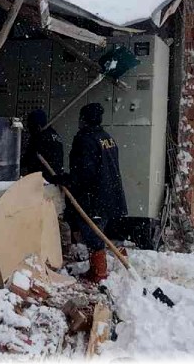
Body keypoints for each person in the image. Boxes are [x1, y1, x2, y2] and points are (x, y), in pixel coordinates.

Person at [44, 102, 126, 282]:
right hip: (109, 194)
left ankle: (99, 273)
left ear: (83, 119)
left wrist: (64, 179)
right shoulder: (106, 137)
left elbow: (84, 172)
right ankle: (99, 268)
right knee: (97, 231)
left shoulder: (86, 139)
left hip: (94, 197)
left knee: (93, 234)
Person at [22, 109, 65, 177]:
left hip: (42, 179)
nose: (28, 130)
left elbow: (28, 159)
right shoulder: (55, 135)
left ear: (38, 127)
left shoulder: (39, 138)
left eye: (29, 126)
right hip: (56, 178)